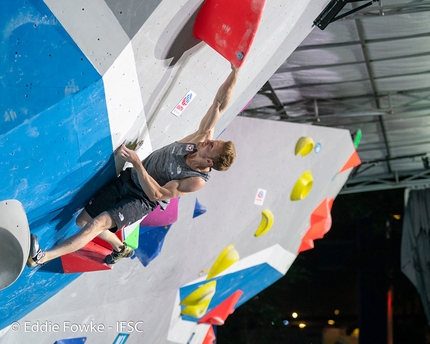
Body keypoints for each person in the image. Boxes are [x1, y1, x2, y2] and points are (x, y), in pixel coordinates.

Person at [27, 64, 240, 267]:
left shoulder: (195, 180)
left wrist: (138, 163)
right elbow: (219, 104)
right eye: (213, 141)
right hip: (129, 179)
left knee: (98, 224)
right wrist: (235, 73)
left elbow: (157, 194)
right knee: (83, 221)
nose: (209, 140)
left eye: (212, 146)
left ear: (210, 162)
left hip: (141, 199)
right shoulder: (199, 140)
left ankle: (41, 257)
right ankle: (120, 248)